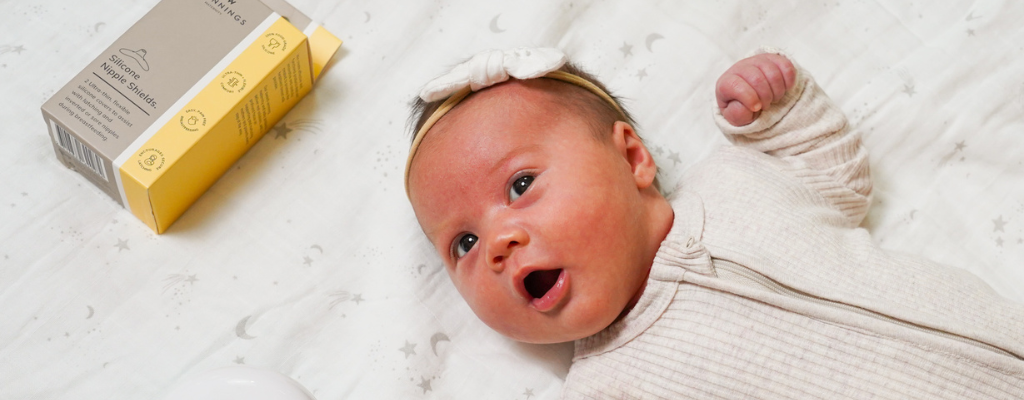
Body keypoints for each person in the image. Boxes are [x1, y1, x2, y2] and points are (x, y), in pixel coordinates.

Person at [404, 47, 1024, 398]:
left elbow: (835, 172)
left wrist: (776, 111)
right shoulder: (607, 389)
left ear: (632, 157)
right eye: (462, 242)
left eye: (520, 185)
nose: (497, 243)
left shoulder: (739, 182)